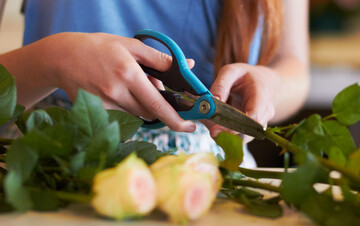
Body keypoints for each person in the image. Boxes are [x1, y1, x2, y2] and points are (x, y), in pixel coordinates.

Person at [0, 0, 309, 167]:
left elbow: (293, 67)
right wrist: (51, 61)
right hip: (48, 164)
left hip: (209, 182)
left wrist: (270, 84)